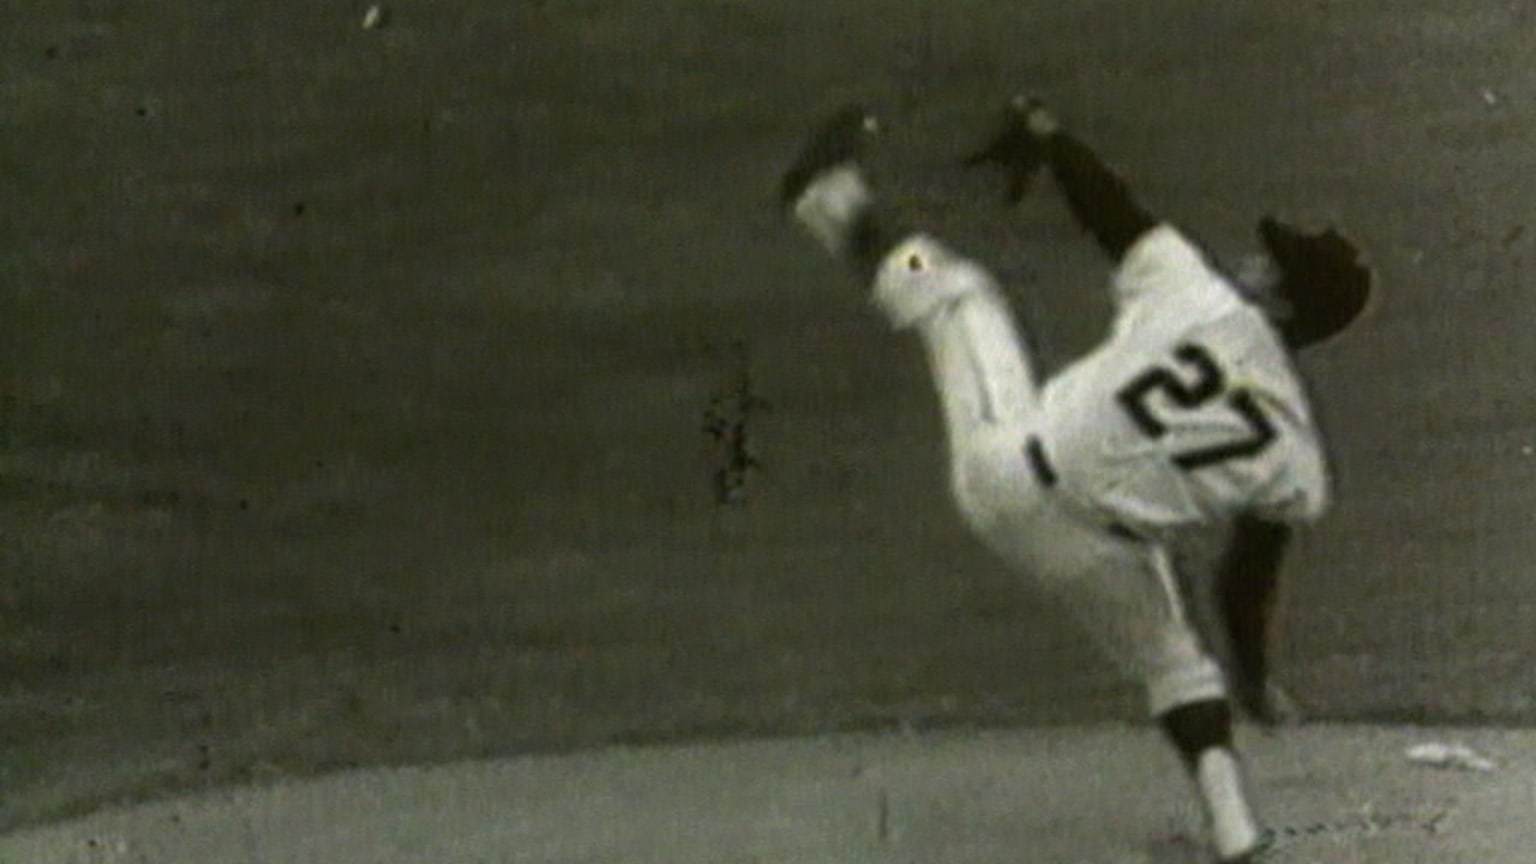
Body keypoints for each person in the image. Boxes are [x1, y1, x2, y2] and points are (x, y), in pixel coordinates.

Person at [779, 97, 1372, 864]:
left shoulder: (1197, 296)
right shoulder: (1296, 451)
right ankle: (1235, 834)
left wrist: (1049, 138)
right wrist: (1254, 681)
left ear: (1285, 299)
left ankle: (828, 197)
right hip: (1095, 554)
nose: (1255, 260)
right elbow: (1243, 584)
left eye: (1274, 262)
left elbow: (1112, 210)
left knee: (957, 295)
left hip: (1007, 472)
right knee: (1175, 659)